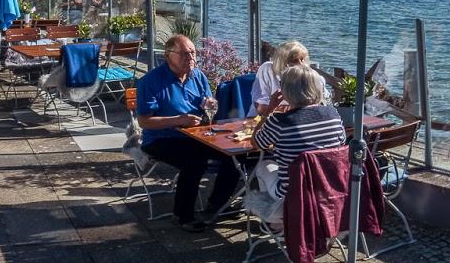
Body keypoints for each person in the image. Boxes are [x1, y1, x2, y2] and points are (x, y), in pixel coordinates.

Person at [136, 34, 242, 231]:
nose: (191, 58)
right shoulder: (151, 81)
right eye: (185, 54)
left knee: (233, 152)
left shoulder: (197, 76)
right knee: (194, 161)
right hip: (162, 138)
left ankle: (217, 203)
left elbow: (208, 101)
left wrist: (210, 103)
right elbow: (144, 121)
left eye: (193, 53)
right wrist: (178, 120)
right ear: (168, 55)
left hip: (195, 134)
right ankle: (183, 215)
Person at [248, 64, 347, 227]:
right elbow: (340, 143)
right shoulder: (333, 115)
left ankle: (275, 218)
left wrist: (268, 112)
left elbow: (256, 143)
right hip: (328, 191)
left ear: (286, 91)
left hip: (294, 196)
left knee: (263, 165)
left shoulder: (279, 122)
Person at [250, 39, 312, 117]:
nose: (301, 64)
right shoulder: (268, 69)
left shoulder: (306, 74)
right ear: (282, 62)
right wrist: (291, 109)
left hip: (294, 119)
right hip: (261, 120)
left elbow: (320, 101)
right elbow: (260, 108)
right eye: (295, 60)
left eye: (302, 59)